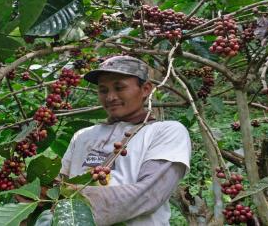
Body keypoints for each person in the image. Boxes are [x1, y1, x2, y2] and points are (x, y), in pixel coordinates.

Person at [60, 55, 191, 226]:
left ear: (145, 89)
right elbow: (57, 184)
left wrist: (67, 197)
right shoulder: (82, 136)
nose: (110, 97)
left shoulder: (166, 132)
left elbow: (147, 195)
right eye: (103, 90)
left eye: (119, 87)